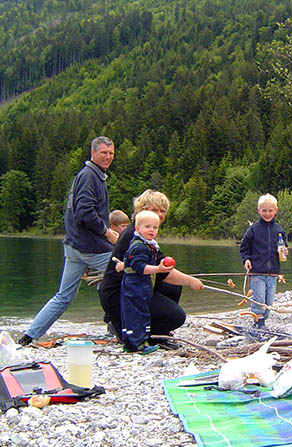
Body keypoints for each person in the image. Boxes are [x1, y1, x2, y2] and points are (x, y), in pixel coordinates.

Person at [18, 136, 119, 346]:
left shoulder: (89, 175)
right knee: (129, 273)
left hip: (75, 246)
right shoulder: (90, 176)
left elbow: (74, 213)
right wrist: (107, 233)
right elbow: (84, 212)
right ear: (93, 154)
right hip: (90, 247)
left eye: (111, 153)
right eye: (103, 153)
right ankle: (122, 329)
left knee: (64, 296)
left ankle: (28, 337)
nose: (108, 157)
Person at [98, 190, 204, 345]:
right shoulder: (134, 236)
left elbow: (161, 267)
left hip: (134, 286)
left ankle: (158, 332)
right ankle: (142, 334)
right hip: (120, 295)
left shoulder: (145, 233)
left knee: (173, 287)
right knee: (177, 317)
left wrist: (186, 280)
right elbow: (163, 272)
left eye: (163, 211)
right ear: (141, 211)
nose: (160, 214)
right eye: (154, 210)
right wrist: (190, 281)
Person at [115, 211, 172, 354]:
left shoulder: (141, 244)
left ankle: (129, 343)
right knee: (139, 313)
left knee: (130, 312)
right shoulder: (140, 246)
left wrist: (124, 264)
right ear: (137, 228)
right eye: (147, 227)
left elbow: (131, 259)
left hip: (133, 284)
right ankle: (140, 344)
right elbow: (141, 268)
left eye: (155, 227)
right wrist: (159, 269)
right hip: (136, 285)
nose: (152, 230)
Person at [239, 193, 288, 329]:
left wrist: (284, 251)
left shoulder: (279, 230)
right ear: (258, 210)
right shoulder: (253, 229)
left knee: (269, 302)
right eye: (264, 211)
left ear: (276, 211)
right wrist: (246, 259)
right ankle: (258, 323)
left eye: (270, 211)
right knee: (259, 299)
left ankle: (262, 320)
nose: (267, 214)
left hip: (273, 273)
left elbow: (284, 247)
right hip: (257, 271)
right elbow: (244, 248)